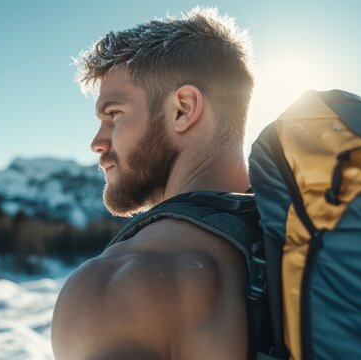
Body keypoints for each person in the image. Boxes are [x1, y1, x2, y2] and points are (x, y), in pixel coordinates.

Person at [52, 7, 255, 360]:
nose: (97, 142)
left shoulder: (118, 286)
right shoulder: (305, 239)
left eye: (114, 114)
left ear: (183, 109)